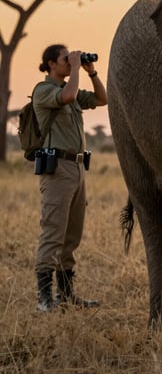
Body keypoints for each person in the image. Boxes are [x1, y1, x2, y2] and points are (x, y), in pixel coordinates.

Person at [32, 44, 107, 312]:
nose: (70, 61)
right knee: (53, 232)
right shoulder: (44, 91)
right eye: (65, 58)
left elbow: (102, 99)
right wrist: (76, 68)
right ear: (51, 63)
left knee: (71, 235)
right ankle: (44, 299)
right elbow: (68, 95)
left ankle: (66, 295)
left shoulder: (71, 85)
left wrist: (90, 71)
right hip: (57, 169)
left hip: (77, 168)